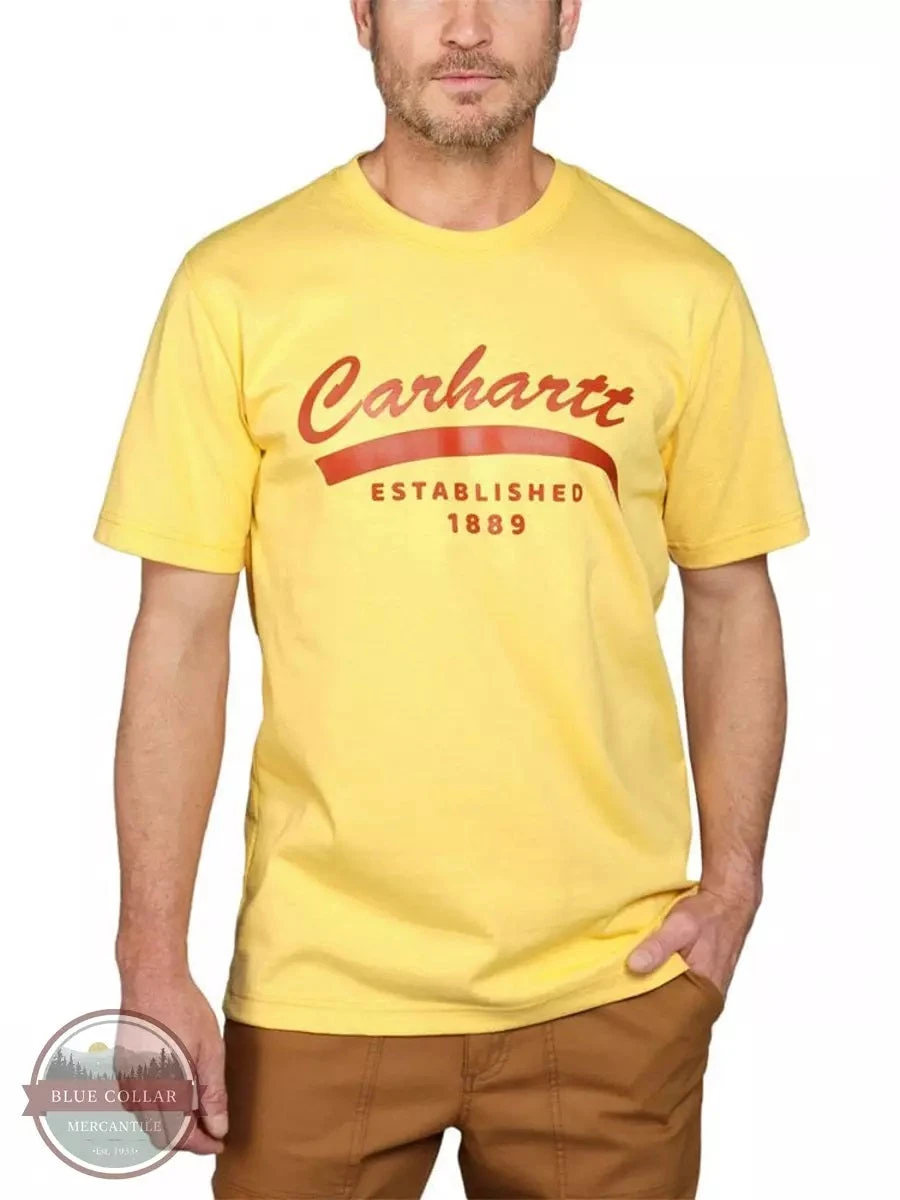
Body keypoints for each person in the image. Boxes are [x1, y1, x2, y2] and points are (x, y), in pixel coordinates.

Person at [92, 1, 809, 1196]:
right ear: (363, 15)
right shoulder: (238, 285)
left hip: (612, 986)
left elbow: (733, 600)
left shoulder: (682, 285)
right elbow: (179, 635)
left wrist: (733, 890)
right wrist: (149, 956)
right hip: (320, 988)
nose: (466, 28)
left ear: (567, 14)